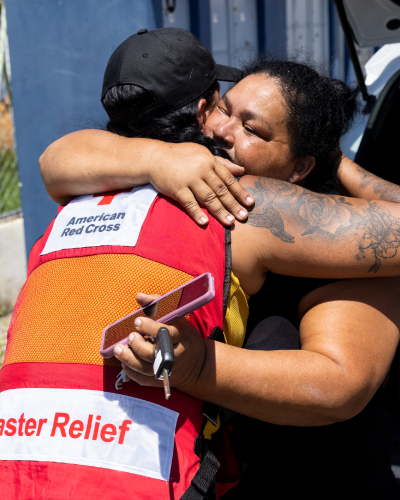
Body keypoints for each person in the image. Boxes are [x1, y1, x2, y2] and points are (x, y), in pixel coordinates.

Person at [38, 33, 400, 497]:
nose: (223, 131)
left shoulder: (344, 245)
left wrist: (342, 166)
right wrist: (157, 157)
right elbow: (56, 160)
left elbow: (340, 385)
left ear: (299, 169)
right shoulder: (200, 197)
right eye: (225, 109)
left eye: (255, 130)